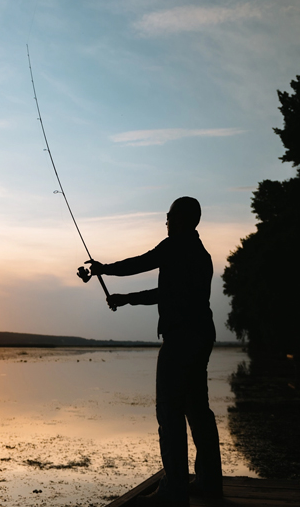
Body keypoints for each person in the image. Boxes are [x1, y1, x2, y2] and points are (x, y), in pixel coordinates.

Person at [86, 196, 223, 506]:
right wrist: (125, 298)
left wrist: (104, 269)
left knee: (169, 411)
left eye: (170, 216)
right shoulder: (202, 255)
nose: (166, 221)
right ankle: (209, 483)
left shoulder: (175, 245)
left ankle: (175, 488)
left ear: (184, 220)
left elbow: (141, 263)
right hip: (202, 337)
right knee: (197, 409)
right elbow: (165, 292)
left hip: (181, 340)